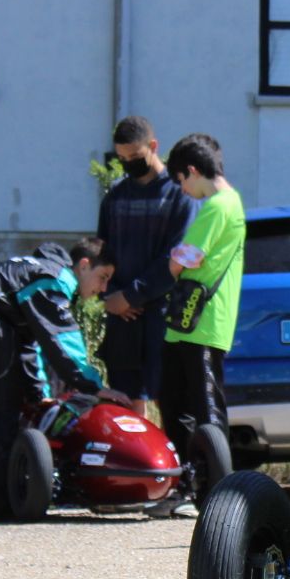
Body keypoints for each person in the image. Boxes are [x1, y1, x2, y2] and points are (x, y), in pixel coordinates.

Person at [0, 238, 130, 520]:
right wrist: (93, 385)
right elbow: (61, 337)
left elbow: (26, 341)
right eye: (103, 277)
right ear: (84, 265)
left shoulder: (29, 269)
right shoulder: (54, 278)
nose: (103, 289)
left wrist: (38, 395)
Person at [159, 132, 245, 494]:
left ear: (193, 171)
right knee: (182, 403)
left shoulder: (217, 205)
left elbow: (186, 257)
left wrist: (170, 263)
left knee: (204, 408)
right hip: (191, 323)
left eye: (181, 181)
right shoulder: (230, 203)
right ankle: (191, 483)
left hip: (201, 322)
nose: (182, 190)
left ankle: (208, 485)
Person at [97, 116, 198, 417]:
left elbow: (175, 259)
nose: (129, 163)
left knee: (171, 403)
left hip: (162, 315)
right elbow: (103, 252)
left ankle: (179, 461)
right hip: (122, 319)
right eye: (122, 158)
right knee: (126, 404)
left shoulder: (181, 196)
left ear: (153, 146)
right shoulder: (114, 197)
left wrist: (131, 296)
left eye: (135, 157)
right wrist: (111, 297)